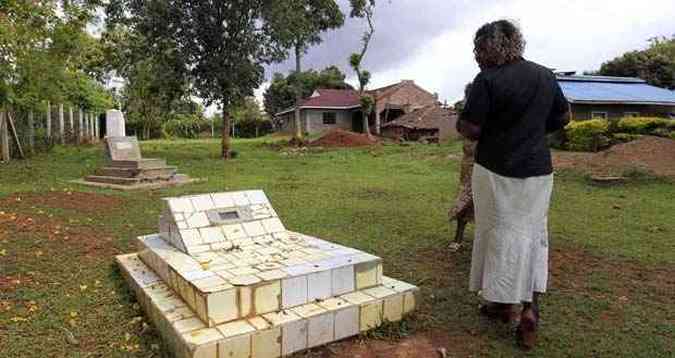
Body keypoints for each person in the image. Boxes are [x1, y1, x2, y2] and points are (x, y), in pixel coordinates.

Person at [456, 19, 569, 350]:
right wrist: (531, 130)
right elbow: (563, 118)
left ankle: (503, 305)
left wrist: (465, 123)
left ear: (493, 47)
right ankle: (528, 309)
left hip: (495, 171)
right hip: (537, 172)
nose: (476, 57)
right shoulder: (545, 75)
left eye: (478, 49)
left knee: (497, 235)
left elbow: (472, 128)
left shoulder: (487, 79)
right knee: (533, 236)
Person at [448, 83, 477, 252]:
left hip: (490, 163)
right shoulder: (466, 114)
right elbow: (461, 129)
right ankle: (458, 237)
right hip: (470, 164)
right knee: (465, 199)